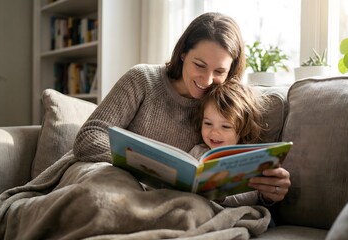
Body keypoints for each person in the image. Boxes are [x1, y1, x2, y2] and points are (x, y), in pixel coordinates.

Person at [73, 12, 290, 205]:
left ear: (231, 70)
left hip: (164, 200)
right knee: (107, 195)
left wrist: (269, 190)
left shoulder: (227, 106)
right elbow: (88, 137)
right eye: (199, 65)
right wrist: (151, 167)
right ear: (183, 54)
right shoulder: (142, 80)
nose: (207, 80)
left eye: (219, 71)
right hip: (106, 175)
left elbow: (245, 176)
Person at [188, 78, 277, 206]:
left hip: (221, 210)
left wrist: (221, 196)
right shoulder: (198, 151)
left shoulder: (247, 159)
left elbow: (251, 196)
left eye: (225, 127)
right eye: (208, 123)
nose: (214, 133)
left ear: (244, 128)